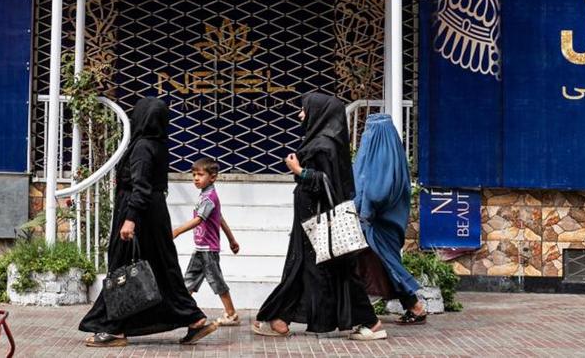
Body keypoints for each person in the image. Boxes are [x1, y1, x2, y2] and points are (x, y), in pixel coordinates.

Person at [79, 97, 218, 347]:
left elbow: (140, 187)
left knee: (121, 265)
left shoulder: (142, 146)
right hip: (155, 214)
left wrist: (130, 219)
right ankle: (195, 320)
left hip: (139, 214)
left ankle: (114, 329)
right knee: (164, 268)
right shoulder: (158, 145)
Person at [252, 92, 387, 341]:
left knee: (339, 270)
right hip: (312, 220)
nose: (300, 114)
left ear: (318, 113)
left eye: (304, 109)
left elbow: (328, 183)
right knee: (307, 269)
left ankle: (371, 323)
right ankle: (280, 318)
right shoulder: (322, 141)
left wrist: (299, 171)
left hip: (323, 221)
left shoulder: (325, 145)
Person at [353, 113, 426, 325]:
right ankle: (414, 306)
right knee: (385, 265)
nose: (366, 136)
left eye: (369, 132)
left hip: (376, 223)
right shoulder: (394, 154)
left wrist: (364, 210)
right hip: (387, 222)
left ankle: (363, 314)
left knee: (384, 265)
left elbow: (377, 192)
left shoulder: (380, 159)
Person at [173, 158, 241, 327]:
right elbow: (221, 219)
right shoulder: (205, 195)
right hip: (201, 248)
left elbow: (198, 220)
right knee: (189, 280)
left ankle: (231, 314)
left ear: (213, 177)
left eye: (200, 175)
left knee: (216, 281)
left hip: (208, 249)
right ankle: (181, 311)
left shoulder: (209, 197)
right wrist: (232, 240)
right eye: (194, 174)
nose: (196, 178)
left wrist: (177, 231)